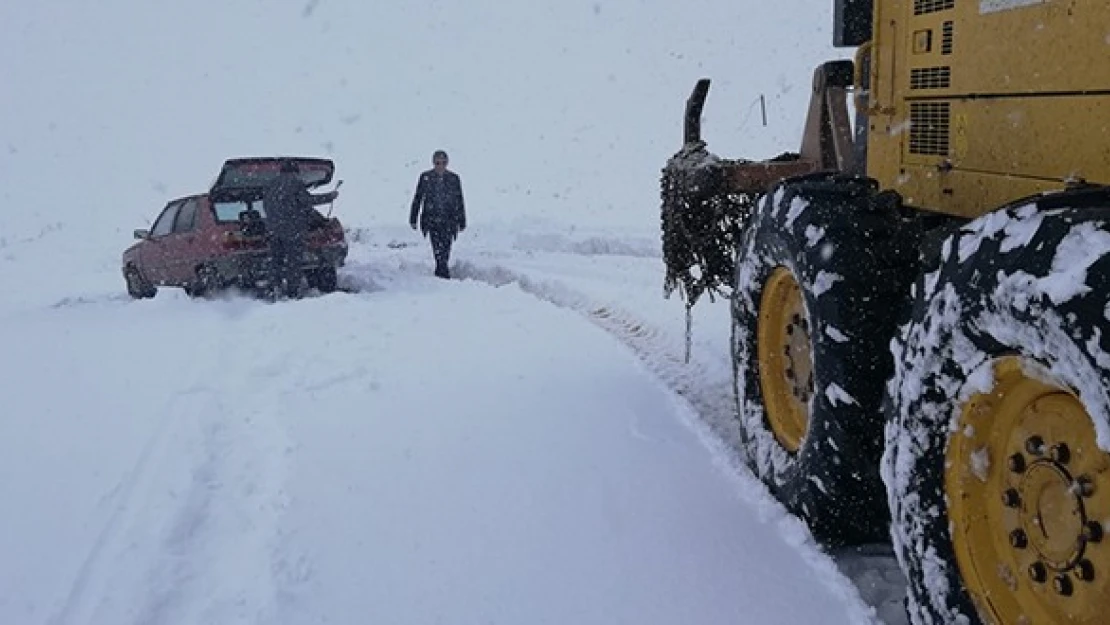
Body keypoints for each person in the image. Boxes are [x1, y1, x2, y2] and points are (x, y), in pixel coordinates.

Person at [262, 160, 338, 298]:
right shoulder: (295, 183)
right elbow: (307, 201)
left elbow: (266, 206)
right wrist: (330, 197)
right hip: (292, 231)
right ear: (295, 171)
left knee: (276, 261)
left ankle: (274, 288)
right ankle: (292, 292)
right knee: (293, 262)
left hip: (273, 230)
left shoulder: (270, 185)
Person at [409, 150, 466, 278]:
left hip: (449, 220)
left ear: (447, 163)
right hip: (432, 219)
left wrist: (462, 221)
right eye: (437, 163)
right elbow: (418, 198)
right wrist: (413, 218)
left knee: (446, 246)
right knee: (437, 247)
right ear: (433, 163)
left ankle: (442, 268)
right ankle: (441, 269)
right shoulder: (425, 177)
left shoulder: (454, 179)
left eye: (443, 163)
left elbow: (459, 200)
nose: (440, 166)